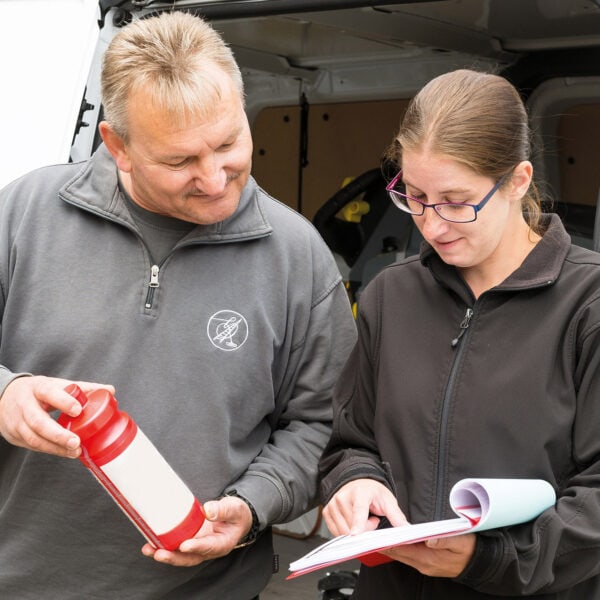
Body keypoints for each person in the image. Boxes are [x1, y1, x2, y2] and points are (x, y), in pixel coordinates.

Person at [0, 12, 356, 600]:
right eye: (179, 161)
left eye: (228, 143)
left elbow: (326, 425)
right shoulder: (23, 217)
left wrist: (251, 505)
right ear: (118, 145)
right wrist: (6, 393)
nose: (215, 178)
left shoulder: (298, 258)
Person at [318, 68, 600, 599]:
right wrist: (354, 482)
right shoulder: (390, 296)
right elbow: (351, 443)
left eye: (455, 201)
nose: (431, 225)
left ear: (517, 181)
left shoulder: (588, 307)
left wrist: (488, 558)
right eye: (415, 196)